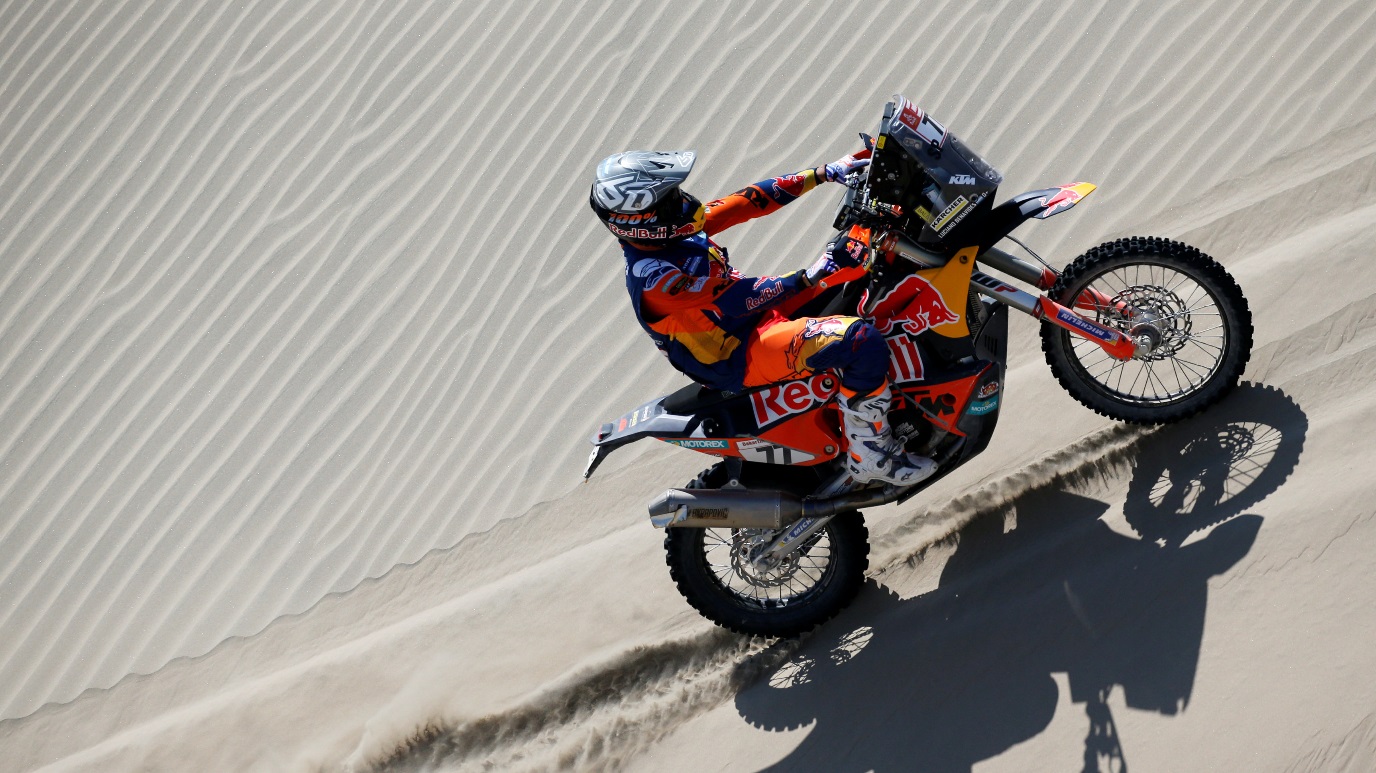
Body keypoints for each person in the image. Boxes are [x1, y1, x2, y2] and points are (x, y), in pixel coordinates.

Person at [589, 149, 936, 486]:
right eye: (668, 201)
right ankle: (870, 452)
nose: (682, 202)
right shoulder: (655, 279)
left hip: (753, 318)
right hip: (739, 353)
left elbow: (748, 201)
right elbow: (736, 299)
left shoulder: (673, 230)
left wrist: (824, 173)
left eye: (675, 193)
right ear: (640, 223)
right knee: (859, 341)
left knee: (863, 266)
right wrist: (810, 275)